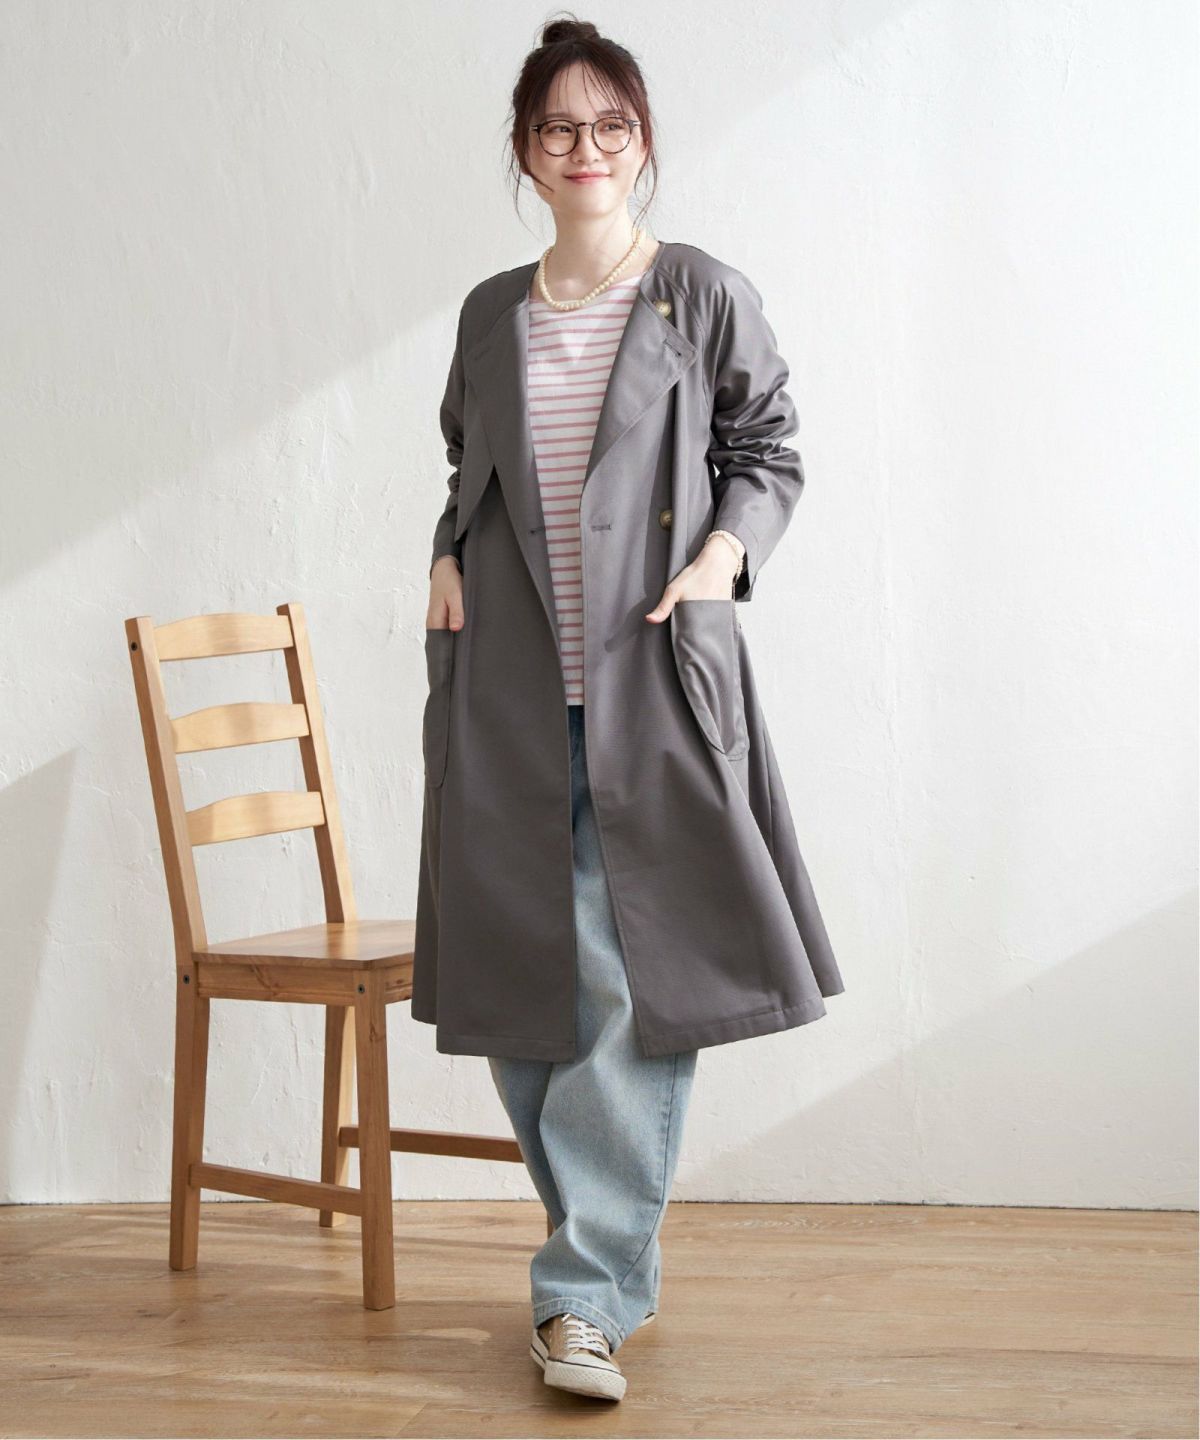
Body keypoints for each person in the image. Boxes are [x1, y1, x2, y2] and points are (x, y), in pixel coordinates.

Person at [418, 15, 844, 1404]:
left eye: (610, 125)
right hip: (503, 689)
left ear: (642, 141)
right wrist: (443, 558)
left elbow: (768, 452)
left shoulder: (698, 293)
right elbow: (466, 464)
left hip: (650, 681)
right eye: (559, 127)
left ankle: (583, 1294)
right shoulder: (492, 311)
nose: (585, 148)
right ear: (526, 152)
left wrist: (721, 560)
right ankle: (592, 1268)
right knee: (516, 996)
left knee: (617, 977)